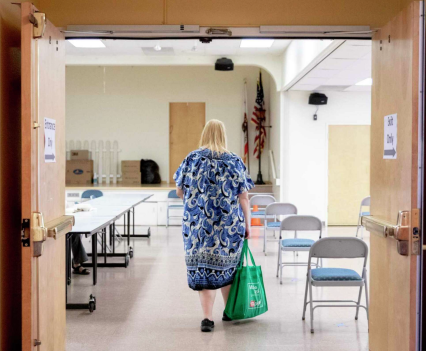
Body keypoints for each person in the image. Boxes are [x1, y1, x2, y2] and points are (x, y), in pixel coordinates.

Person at [173, 119, 254, 332]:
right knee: (227, 266)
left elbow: (179, 191)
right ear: (223, 135)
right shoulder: (235, 160)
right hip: (230, 225)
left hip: (197, 226)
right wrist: (248, 225)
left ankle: (207, 319)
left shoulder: (191, 158)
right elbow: (244, 198)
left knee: (203, 269)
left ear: (205, 134)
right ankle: (228, 312)